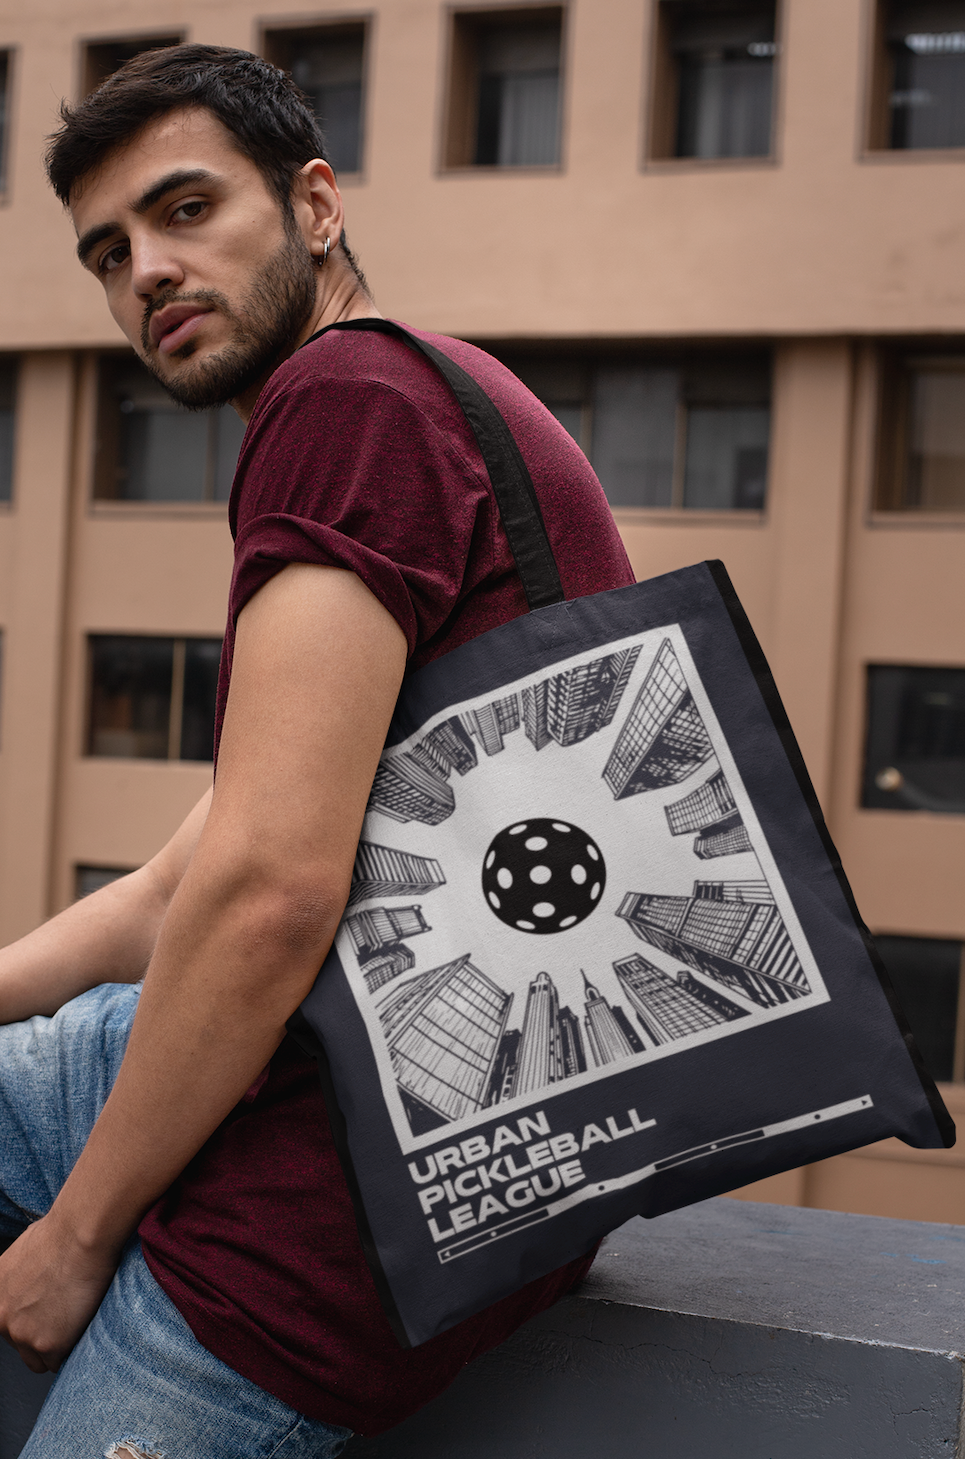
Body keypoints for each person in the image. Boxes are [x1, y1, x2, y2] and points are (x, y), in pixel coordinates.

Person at [0, 44, 635, 1456]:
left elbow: (273, 897)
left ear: (316, 204)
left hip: (335, 1200)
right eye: (109, 252)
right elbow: (185, 887)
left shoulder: (347, 405)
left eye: (186, 210)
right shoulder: (424, 389)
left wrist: (78, 1236)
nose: (148, 272)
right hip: (340, 1083)